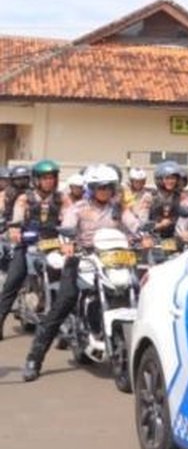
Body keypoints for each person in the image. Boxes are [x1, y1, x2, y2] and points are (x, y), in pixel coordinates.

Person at [23, 164, 140, 382]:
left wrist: (144, 234)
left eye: (108, 187)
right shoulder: (77, 208)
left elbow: (133, 223)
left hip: (113, 260)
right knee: (64, 301)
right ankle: (34, 359)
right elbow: (67, 227)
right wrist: (67, 243)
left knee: (138, 290)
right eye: (100, 187)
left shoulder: (118, 208)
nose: (105, 190)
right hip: (81, 258)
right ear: (91, 188)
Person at [0, 160, 69, 340]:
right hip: (28, 244)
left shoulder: (62, 198)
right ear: (37, 180)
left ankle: (67, 323)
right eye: (45, 178)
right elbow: (17, 217)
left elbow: (69, 219)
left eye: (52, 178)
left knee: (68, 280)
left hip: (53, 244)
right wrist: (15, 231)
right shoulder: (25, 198)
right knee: (12, 281)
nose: (49, 181)